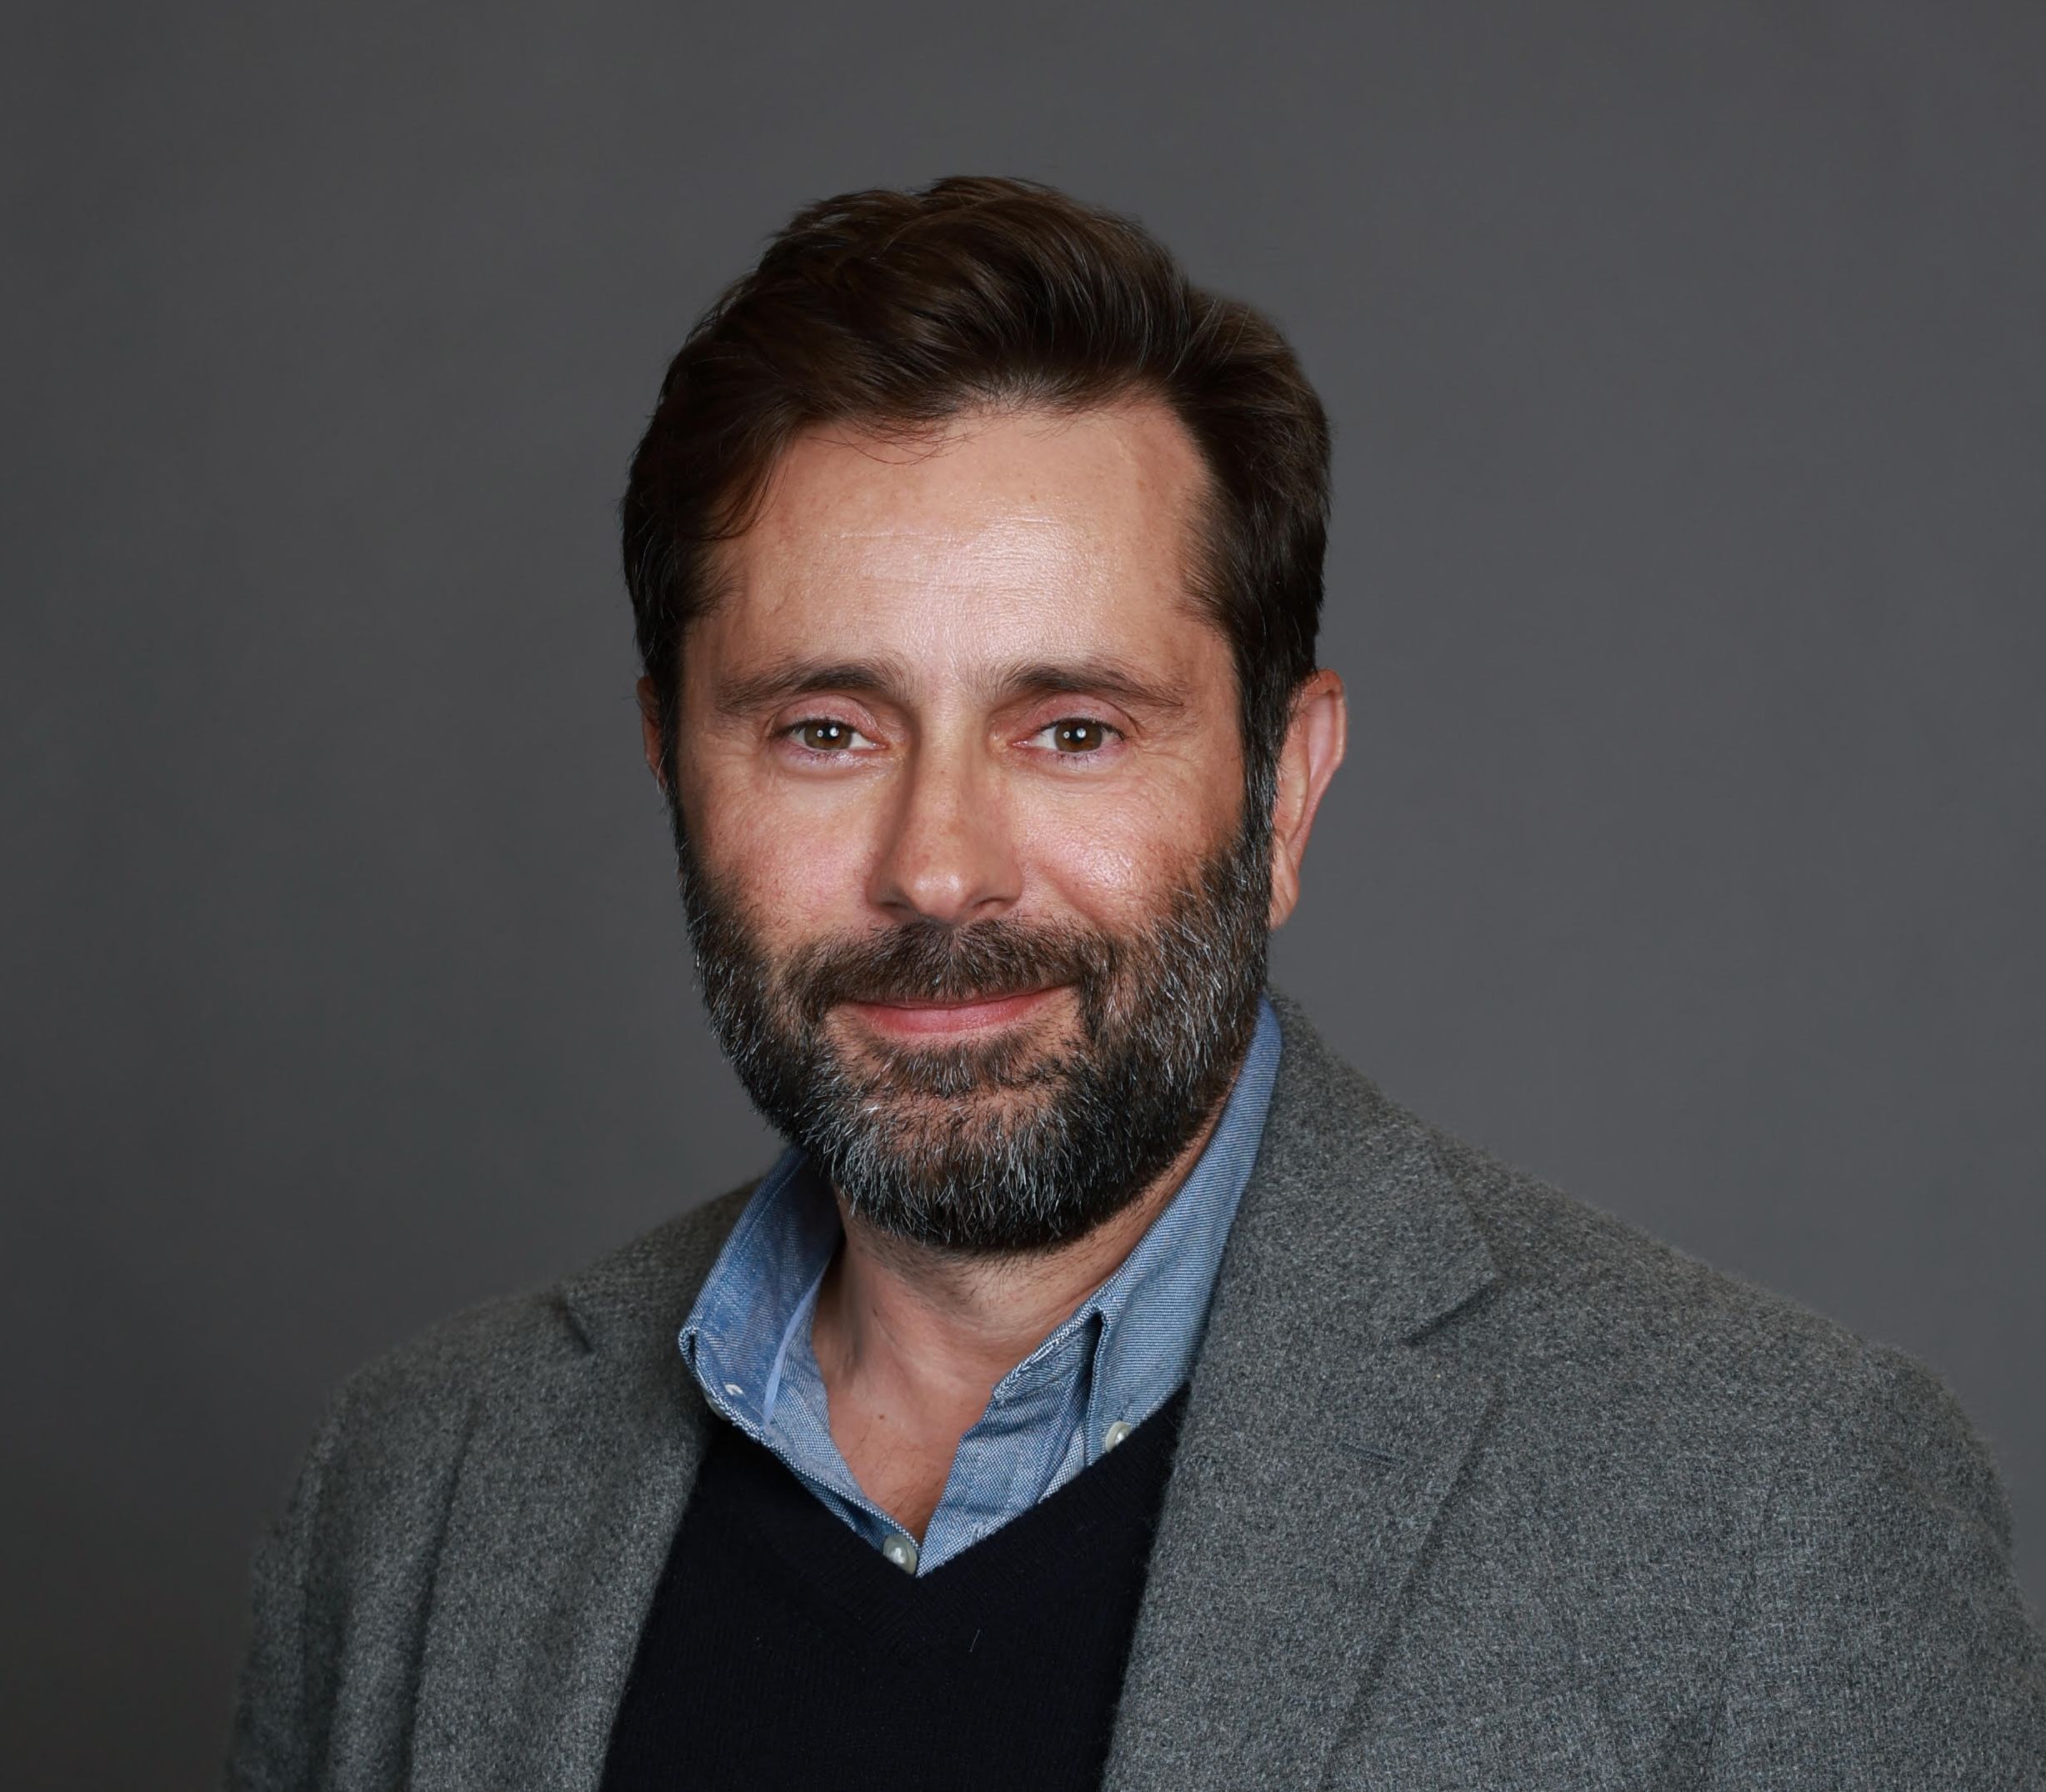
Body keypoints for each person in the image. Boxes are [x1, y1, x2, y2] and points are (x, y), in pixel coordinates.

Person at [225, 177, 2045, 1790]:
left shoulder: (1774, 1516)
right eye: (828, 727)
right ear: (671, 764)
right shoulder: (419, 1493)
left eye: (1074, 728)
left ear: (1283, 788)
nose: (940, 865)